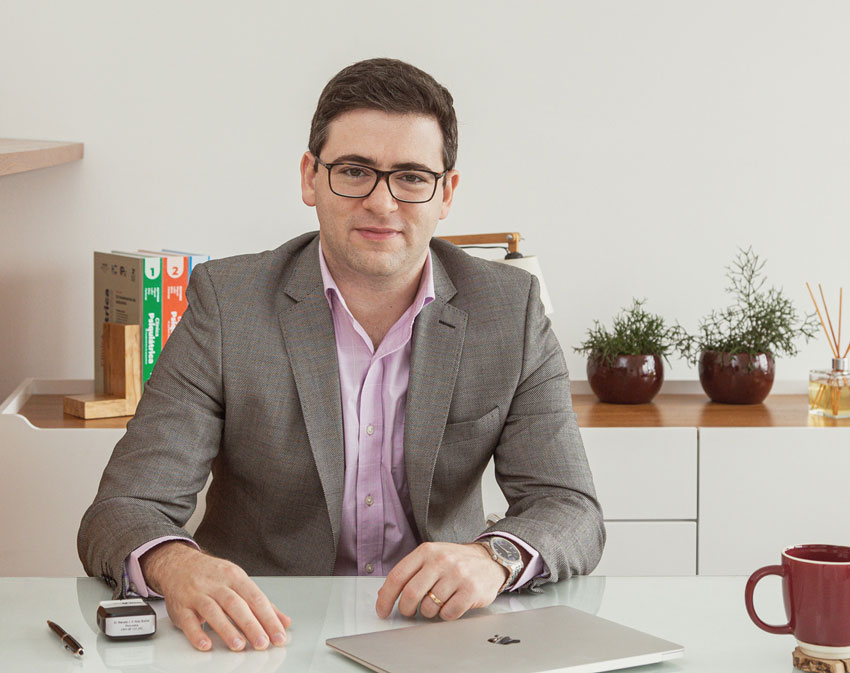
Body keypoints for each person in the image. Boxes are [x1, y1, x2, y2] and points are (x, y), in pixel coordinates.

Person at [78, 57, 605, 653]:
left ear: (446, 192)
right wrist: (175, 565)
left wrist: (495, 558)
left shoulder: (510, 309)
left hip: (444, 636)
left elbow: (570, 509)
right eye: (354, 171)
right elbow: (123, 508)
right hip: (264, 635)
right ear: (310, 177)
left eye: (411, 176)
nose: (382, 203)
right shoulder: (228, 306)